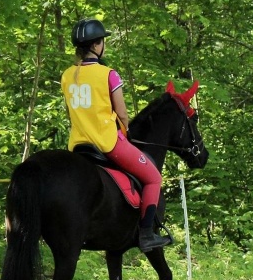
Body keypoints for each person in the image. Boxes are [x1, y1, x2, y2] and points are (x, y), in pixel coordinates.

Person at [61, 18, 171, 252]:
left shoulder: (67, 75)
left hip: (78, 145)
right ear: (97, 45)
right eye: (102, 41)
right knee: (153, 178)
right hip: (107, 143)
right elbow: (121, 112)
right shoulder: (108, 74)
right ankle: (147, 234)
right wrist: (125, 128)